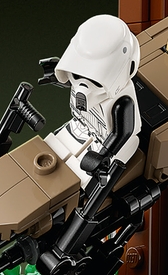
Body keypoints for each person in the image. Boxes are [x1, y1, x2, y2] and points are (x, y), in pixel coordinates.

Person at [44, 14, 142, 185]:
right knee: (47, 149)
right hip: (78, 127)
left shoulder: (122, 102)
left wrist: (103, 155)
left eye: (95, 81)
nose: (83, 88)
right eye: (77, 75)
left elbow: (122, 133)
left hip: (106, 144)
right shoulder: (79, 81)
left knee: (77, 181)